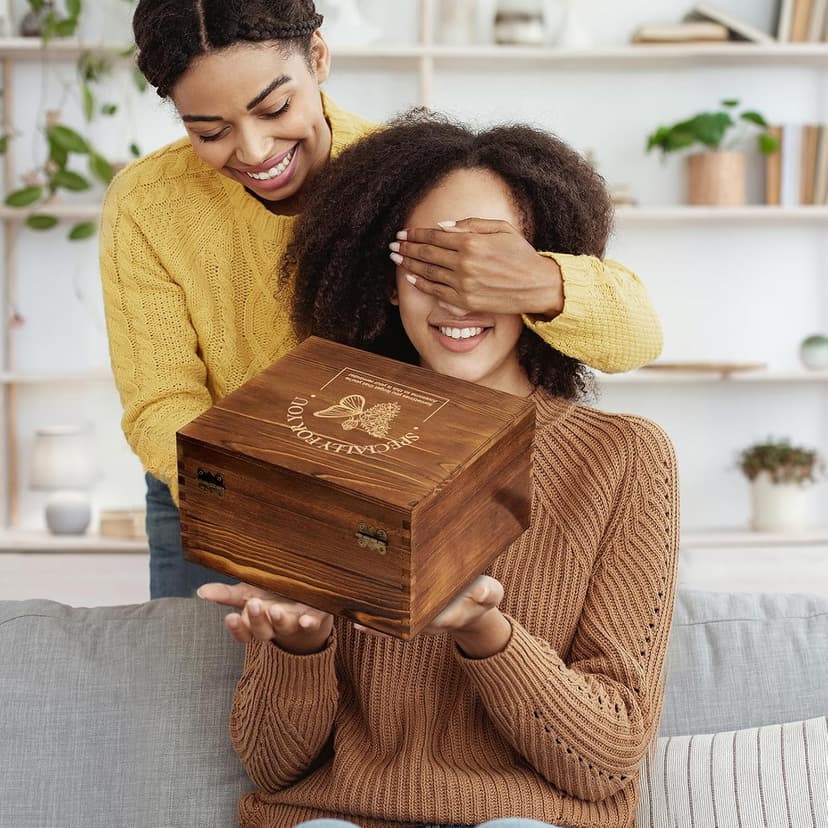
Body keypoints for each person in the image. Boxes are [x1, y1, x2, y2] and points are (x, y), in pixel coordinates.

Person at [198, 112, 680, 828]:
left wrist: (487, 633)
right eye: (427, 262)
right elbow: (275, 767)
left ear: (541, 277)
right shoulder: (322, 443)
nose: (458, 295)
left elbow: (606, 758)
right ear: (388, 282)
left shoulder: (624, 459)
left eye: (490, 265)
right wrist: (300, 645)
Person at [100, 0, 664, 599]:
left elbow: (638, 337)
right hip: (218, 483)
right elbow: (160, 402)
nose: (255, 149)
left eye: (276, 108)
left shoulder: (405, 176)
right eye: (209, 131)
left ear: (317, 57)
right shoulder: (148, 203)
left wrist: (541, 281)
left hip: (380, 485)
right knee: (207, 680)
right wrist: (267, 499)